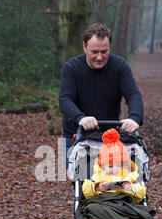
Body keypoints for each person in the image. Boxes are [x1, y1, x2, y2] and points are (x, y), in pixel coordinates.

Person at [58, 23, 144, 154]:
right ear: (84, 47)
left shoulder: (119, 66)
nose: (99, 57)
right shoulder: (71, 68)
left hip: (108, 137)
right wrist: (80, 118)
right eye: (94, 52)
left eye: (104, 52)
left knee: (115, 173)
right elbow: (65, 99)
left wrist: (134, 118)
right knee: (77, 174)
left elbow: (133, 95)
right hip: (75, 136)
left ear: (110, 47)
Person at [81, 128, 146, 219]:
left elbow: (141, 192)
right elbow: (86, 189)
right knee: (93, 218)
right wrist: (97, 188)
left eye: (119, 165)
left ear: (126, 165)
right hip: (102, 206)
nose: (114, 169)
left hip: (122, 207)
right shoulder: (98, 176)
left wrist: (131, 190)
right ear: (103, 167)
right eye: (110, 166)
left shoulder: (130, 177)